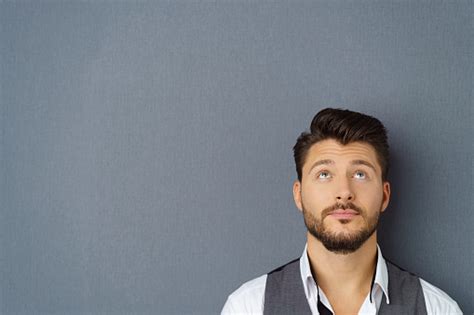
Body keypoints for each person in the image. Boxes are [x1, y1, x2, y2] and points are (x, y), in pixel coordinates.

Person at [221, 108, 462, 314]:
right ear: (299, 194)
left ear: (385, 196)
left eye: (360, 174)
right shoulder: (248, 307)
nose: (344, 192)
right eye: (324, 174)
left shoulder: (437, 309)